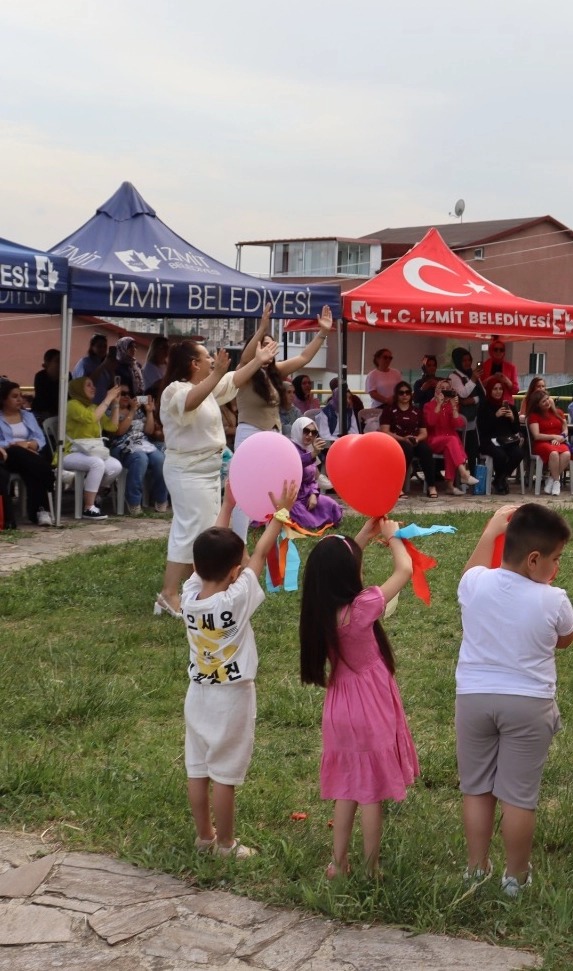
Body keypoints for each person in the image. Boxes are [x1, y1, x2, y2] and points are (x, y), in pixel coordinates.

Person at [456, 504, 573, 895]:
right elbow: (566, 637)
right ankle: (516, 876)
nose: (556, 568)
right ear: (534, 559)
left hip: (473, 698)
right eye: (555, 559)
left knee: (476, 788)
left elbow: (468, 573)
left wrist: (489, 530)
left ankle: (476, 868)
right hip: (529, 703)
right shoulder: (554, 599)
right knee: (519, 796)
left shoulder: (475, 584)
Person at [181, 480, 297, 860]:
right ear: (235, 571)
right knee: (225, 775)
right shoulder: (237, 598)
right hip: (233, 698)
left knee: (197, 769)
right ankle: (227, 845)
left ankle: (204, 837)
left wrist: (227, 507)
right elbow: (261, 553)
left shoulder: (189, 597)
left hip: (197, 694)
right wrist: (280, 514)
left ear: (196, 567)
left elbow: (222, 553)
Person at [299, 518, 419, 879]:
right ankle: (370, 867)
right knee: (370, 792)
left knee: (348, 786)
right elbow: (405, 569)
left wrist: (363, 536)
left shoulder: (320, 611)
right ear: (349, 574)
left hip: (339, 706)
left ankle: (338, 863)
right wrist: (393, 535)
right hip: (369, 705)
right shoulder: (363, 607)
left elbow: (338, 568)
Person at [157, 335, 275, 618]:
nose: (212, 360)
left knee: (204, 529)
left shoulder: (206, 387)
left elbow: (233, 381)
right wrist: (218, 373)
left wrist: (258, 361)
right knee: (189, 531)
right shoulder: (175, 391)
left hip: (207, 471)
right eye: (206, 357)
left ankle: (197, 586)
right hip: (187, 472)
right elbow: (190, 402)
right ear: (193, 364)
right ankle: (168, 595)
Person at [231, 305, 333, 537]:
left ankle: (272, 535)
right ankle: (239, 539)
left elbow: (305, 356)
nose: (269, 350)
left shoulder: (275, 372)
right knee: (244, 488)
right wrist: (262, 329)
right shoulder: (245, 371)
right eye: (263, 345)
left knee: (273, 489)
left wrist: (323, 332)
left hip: (273, 437)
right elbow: (247, 356)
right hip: (250, 434)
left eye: (271, 345)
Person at [62, 376, 124, 520]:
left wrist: (115, 404)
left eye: (93, 385)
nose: (93, 388)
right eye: (88, 385)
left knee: (115, 466)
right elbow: (90, 418)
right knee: (97, 463)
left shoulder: (94, 407)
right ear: (78, 389)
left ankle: (93, 495)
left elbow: (112, 426)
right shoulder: (72, 405)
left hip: (91, 452)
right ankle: (88, 507)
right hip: (71, 452)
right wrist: (107, 399)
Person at [0, 379, 55, 526]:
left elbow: (40, 438)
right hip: (7, 456)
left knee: (33, 472)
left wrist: (29, 444)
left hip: (30, 456)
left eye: (20, 395)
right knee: (20, 453)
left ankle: (39, 512)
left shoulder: (27, 416)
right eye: (14, 396)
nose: (20, 399)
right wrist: (17, 445)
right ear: (4, 399)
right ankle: (50, 475)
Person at [111, 387, 168, 516]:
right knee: (140, 459)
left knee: (161, 460)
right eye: (122, 394)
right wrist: (131, 411)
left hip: (143, 444)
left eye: (129, 394)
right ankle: (134, 501)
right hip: (121, 446)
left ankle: (161, 498)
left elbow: (149, 431)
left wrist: (149, 412)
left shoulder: (139, 412)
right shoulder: (112, 411)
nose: (126, 396)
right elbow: (118, 431)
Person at [380, 382, 441, 499]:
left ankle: (431, 486)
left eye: (407, 392)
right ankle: (398, 487)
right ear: (396, 395)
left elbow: (424, 432)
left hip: (413, 440)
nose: (404, 395)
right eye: (401, 393)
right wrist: (403, 439)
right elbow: (384, 431)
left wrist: (416, 439)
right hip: (395, 441)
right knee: (407, 450)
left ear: (411, 395)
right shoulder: (389, 410)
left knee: (426, 450)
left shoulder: (417, 411)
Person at [287, 418, 342, 529]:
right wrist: (313, 454)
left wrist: (313, 494)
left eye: (314, 432)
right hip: (292, 499)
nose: (310, 435)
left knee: (333, 506)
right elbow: (295, 465)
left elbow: (312, 479)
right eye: (306, 431)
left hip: (307, 496)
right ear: (298, 430)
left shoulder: (308, 450)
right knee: (309, 523)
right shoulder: (288, 448)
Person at [423, 382, 476, 496]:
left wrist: (453, 407)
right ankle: (464, 473)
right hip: (434, 440)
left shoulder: (453, 405)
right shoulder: (428, 405)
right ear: (436, 391)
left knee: (450, 447)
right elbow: (430, 423)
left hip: (450, 442)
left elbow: (458, 424)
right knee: (452, 441)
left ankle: (450, 486)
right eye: (442, 389)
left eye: (448, 389)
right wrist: (438, 404)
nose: (445, 391)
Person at [479, 374, 525, 495]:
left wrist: (512, 418)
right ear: (490, 390)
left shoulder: (510, 407)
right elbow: (483, 429)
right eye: (495, 389)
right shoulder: (484, 406)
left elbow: (516, 429)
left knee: (519, 453)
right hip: (489, 440)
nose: (498, 391)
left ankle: (500, 479)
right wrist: (495, 416)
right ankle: (500, 482)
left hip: (506, 440)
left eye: (500, 389)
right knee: (501, 455)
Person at [523, 389, 571, 496]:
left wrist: (561, 437)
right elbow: (537, 435)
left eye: (547, 399)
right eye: (543, 401)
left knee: (567, 454)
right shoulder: (534, 416)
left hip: (559, 442)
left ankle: (552, 479)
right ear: (537, 405)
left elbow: (565, 430)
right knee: (554, 454)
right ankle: (557, 482)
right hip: (542, 442)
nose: (547, 402)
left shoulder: (559, 412)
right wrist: (553, 436)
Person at [448, 348, 483, 469]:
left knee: (473, 451)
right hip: (461, 421)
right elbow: (462, 394)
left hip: (474, 420)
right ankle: (459, 479)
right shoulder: (454, 376)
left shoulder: (471, 374)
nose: (468, 363)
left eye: (469, 360)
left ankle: (474, 478)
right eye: (464, 360)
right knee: (462, 451)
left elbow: (483, 394)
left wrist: (474, 400)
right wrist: (473, 379)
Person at [31, 349, 61, 424]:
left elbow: (68, 396)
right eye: (57, 361)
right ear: (48, 362)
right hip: (41, 411)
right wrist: (45, 413)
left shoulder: (67, 375)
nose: (61, 363)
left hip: (60, 411)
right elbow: (40, 397)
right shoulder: (40, 376)